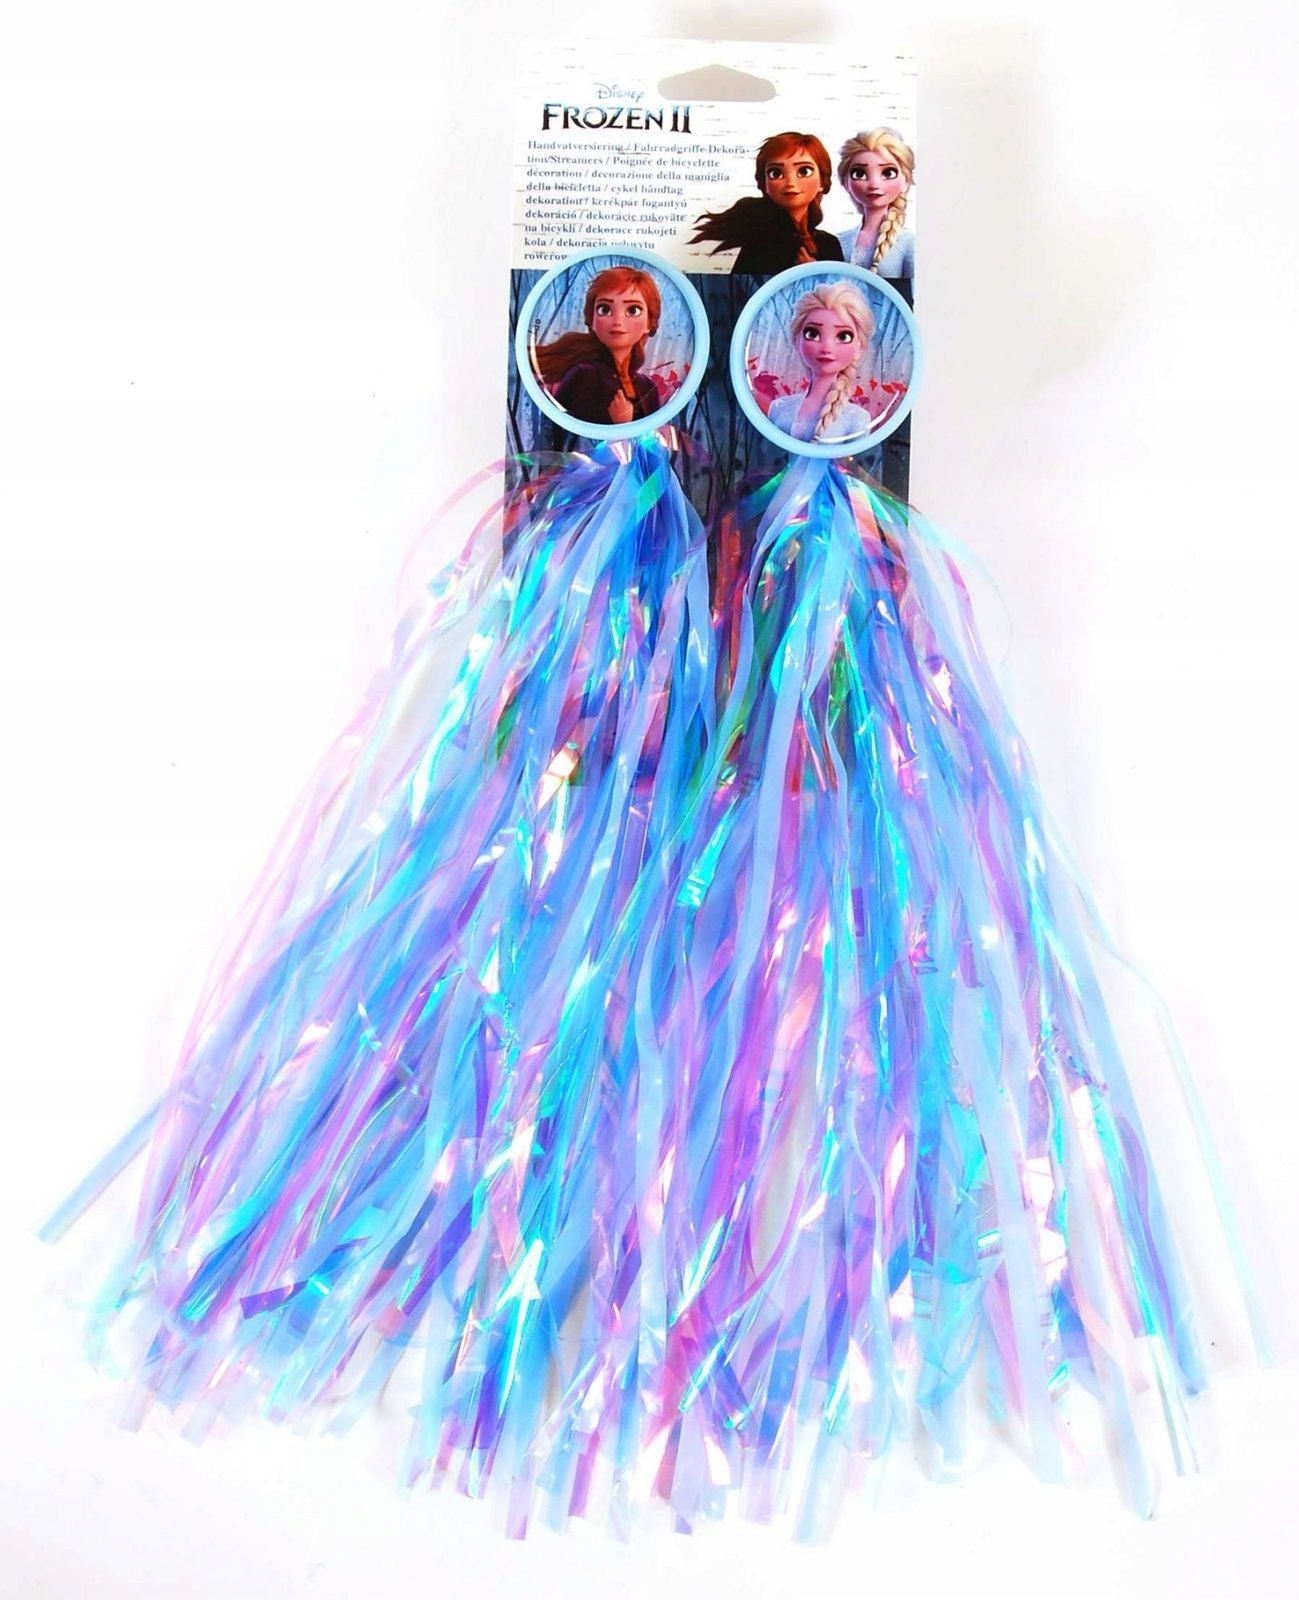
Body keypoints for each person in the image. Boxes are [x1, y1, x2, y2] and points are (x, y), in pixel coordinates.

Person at [691, 132, 845, 275]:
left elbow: (843, 289)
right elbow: (745, 289)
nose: (790, 182)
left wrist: (813, 273)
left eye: (804, 171)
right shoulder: (760, 242)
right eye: (776, 173)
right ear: (764, 184)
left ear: (822, 182)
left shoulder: (829, 244)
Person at [532, 265, 663, 426]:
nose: (618, 321)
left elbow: (655, 436)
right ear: (592, 320)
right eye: (604, 309)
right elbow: (558, 431)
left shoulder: (647, 386)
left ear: (649, 323)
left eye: (633, 310)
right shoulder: (584, 375)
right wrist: (619, 426)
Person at [767, 280, 879, 443]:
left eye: (843, 336)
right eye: (812, 334)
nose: (827, 347)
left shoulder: (857, 419)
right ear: (797, 341)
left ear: (859, 347)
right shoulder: (778, 408)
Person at [836, 127, 915, 278]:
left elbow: (914, 291)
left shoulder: (908, 243)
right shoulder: (839, 241)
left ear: (905, 181)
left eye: (888, 173)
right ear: (845, 182)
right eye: (859, 173)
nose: (874, 184)